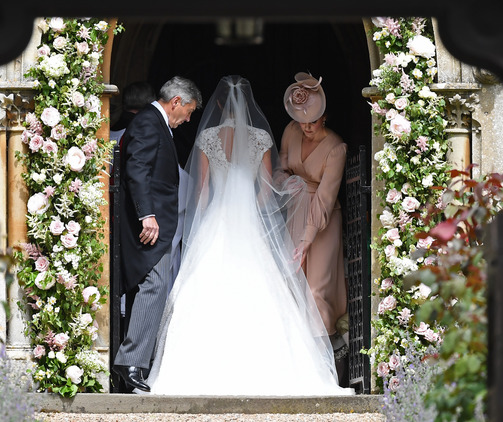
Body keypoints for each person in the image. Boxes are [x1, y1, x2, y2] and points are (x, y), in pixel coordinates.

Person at [147, 75, 353, 396]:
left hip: (218, 216)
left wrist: (199, 224)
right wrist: (254, 212)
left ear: (217, 105)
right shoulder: (260, 138)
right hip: (249, 218)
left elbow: (201, 191)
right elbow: (267, 189)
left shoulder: (209, 138)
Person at [114, 76, 202, 393]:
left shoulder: (154, 122)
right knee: (155, 283)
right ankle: (131, 362)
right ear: (176, 101)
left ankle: (134, 360)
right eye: (189, 111)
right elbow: (137, 168)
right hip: (149, 224)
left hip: (158, 223)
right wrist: (146, 214)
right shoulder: (150, 122)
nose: (188, 119)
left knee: (155, 284)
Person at [276, 72, 348, 343]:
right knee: (292, 282)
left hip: (322, 219)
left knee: (318, 287)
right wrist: (286, 182)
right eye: (301, 120)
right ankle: (295, 349)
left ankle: (326, 352)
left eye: (312, 121)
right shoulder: (290, 131)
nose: (306, 127)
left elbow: (325, 199)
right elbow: (279, 170)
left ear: (324, 116)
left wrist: (307, 240)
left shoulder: (336, 147)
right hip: (295, 209)